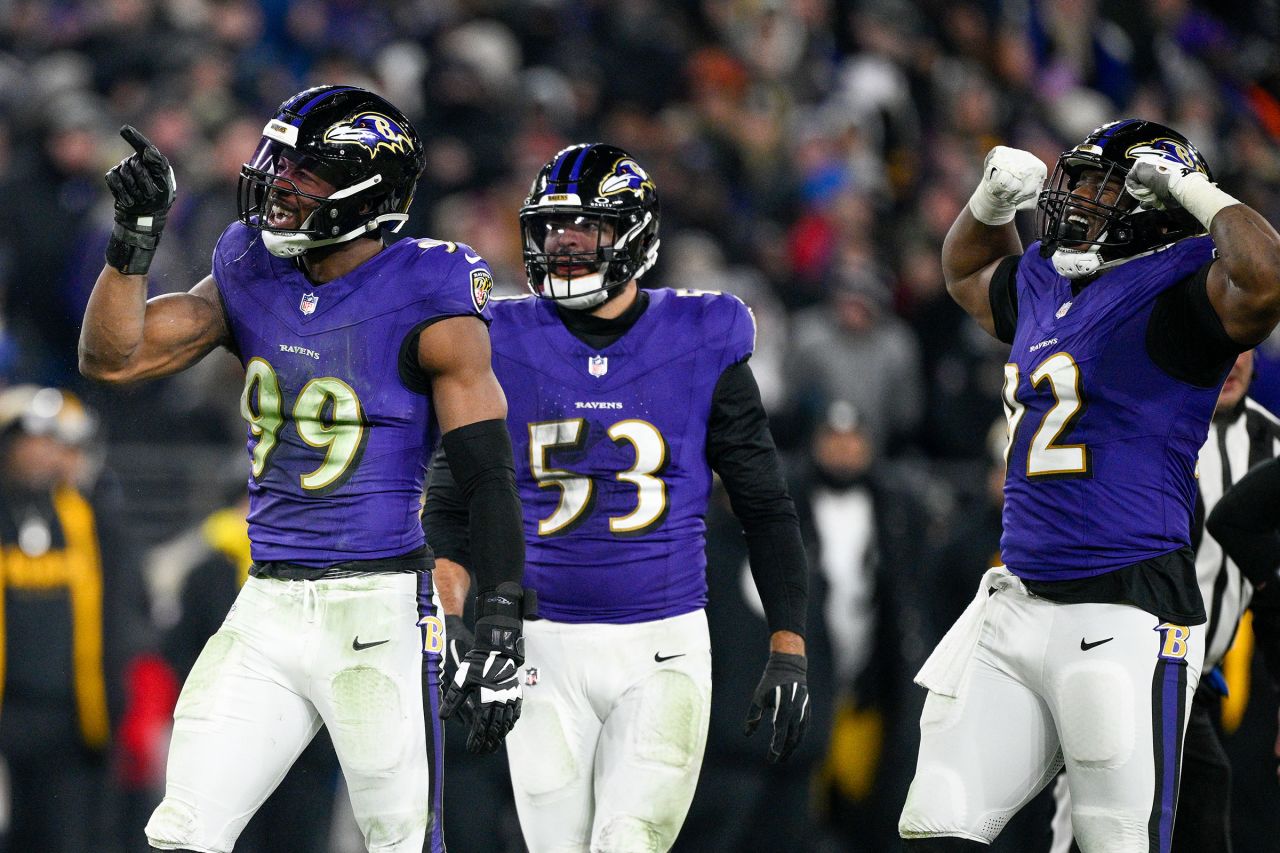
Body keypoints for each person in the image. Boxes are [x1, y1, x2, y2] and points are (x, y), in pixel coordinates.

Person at [77, 84, 530, 853]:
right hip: (269, 601)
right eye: (280, 160)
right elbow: (111, 357)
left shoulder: (431, 289)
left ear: (368, 194)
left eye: (307, 171)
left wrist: (500, 615)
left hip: (382, 608)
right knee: (182, 832)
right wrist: (134, 240)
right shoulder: (252, 267)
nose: (279, 182)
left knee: (401, 843)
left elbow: (487, 472)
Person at [897, 118, 1280, 853]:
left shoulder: (1181, 283)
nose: (1075, 199)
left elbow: (1264, 281)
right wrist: (986, 206)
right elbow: (967, 275)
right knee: (939, 821)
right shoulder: (1046, 275)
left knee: (1118, 839)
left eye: (1103, 186)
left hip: (1126, 606)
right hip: (1018, 600)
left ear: (1155, 202)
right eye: (1075, 181)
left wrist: (1195, 191)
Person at [422, 143, 811, 852]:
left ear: (633, 235)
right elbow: (450, 503)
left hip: (661, 645)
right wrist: (451, 620)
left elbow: (764, 502)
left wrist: (787, 642)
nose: (563, 246)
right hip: (537, 647)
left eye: (586, 230)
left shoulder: (702, 334)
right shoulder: (498, 336)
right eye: (553, 229)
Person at [1047, 349, 1280, 852]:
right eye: (1221, 343)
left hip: (1204, 681)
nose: (1232, 361)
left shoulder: (1273, 443)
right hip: (1128, 666)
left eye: (1245, 345)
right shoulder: (1144, 429)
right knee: (1109, 820)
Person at [0, 385, 160, 853]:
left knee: (67, 839)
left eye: (54, 442)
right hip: (9, 715)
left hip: (74, 720)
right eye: (30, 440)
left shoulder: (91, 521)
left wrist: (116, 707)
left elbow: (130, 607)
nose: (42, 452)